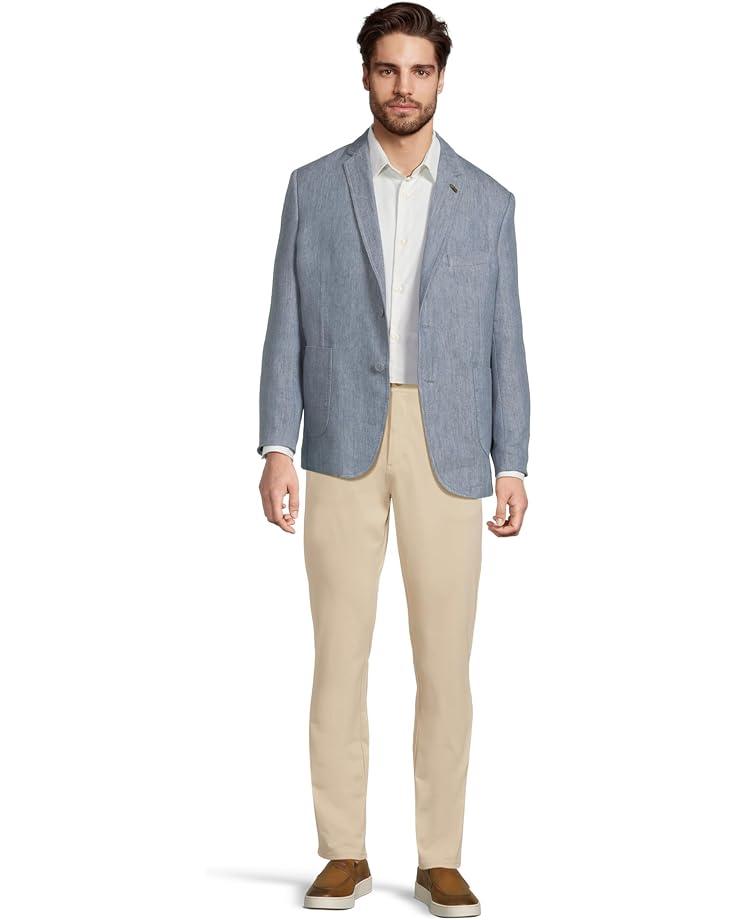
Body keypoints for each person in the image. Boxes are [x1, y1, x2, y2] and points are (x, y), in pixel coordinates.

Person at [257, 3, 530, 915]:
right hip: (340, 438)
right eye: (388, 69)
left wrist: (513, 462)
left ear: (440, 78)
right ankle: (344, 850)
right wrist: (277, 444)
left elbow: (506, 340)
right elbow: (286, 324)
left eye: (419, 70)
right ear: (366, 75)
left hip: (449, 443)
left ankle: (440, 856)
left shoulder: (489, 201)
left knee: (445, 664)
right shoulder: (313, 187)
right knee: (339, 655)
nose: (403, 87)